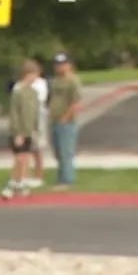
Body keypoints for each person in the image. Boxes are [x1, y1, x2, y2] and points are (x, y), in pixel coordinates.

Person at [1, 60, 42, 199]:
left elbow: (35, 113)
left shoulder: (34, 93)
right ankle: (10, 185)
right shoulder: (18, 92)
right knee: (19, 159)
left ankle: (21, 183)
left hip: (29, 130)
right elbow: (14, 113)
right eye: (34, 74)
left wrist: (35, 129)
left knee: (25, 159)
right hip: (18, 131)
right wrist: (17, 133)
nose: (36, 78)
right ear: (27, 74)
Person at [49, 52, 82, 189]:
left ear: (69, 65)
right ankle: (61, 177)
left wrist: (66, 117)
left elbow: (76, 102)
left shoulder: (73, 80)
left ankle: (67, 180)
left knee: (65, 151)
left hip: (66, 121)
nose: (59, 67)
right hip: (54, 119)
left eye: (62, 64)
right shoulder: (55, 81)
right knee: (57, 151)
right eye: (57, 64)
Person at [25, 65, 50, 188]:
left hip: (37, 117)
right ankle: (25, 176)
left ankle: (38, 176)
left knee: (37, 149)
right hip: (25, 119)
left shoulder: (41, 84)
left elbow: (39, 99)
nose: (32, 76)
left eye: (34, 73)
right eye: (29, 73)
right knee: (25, 150)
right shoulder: (20, 85)